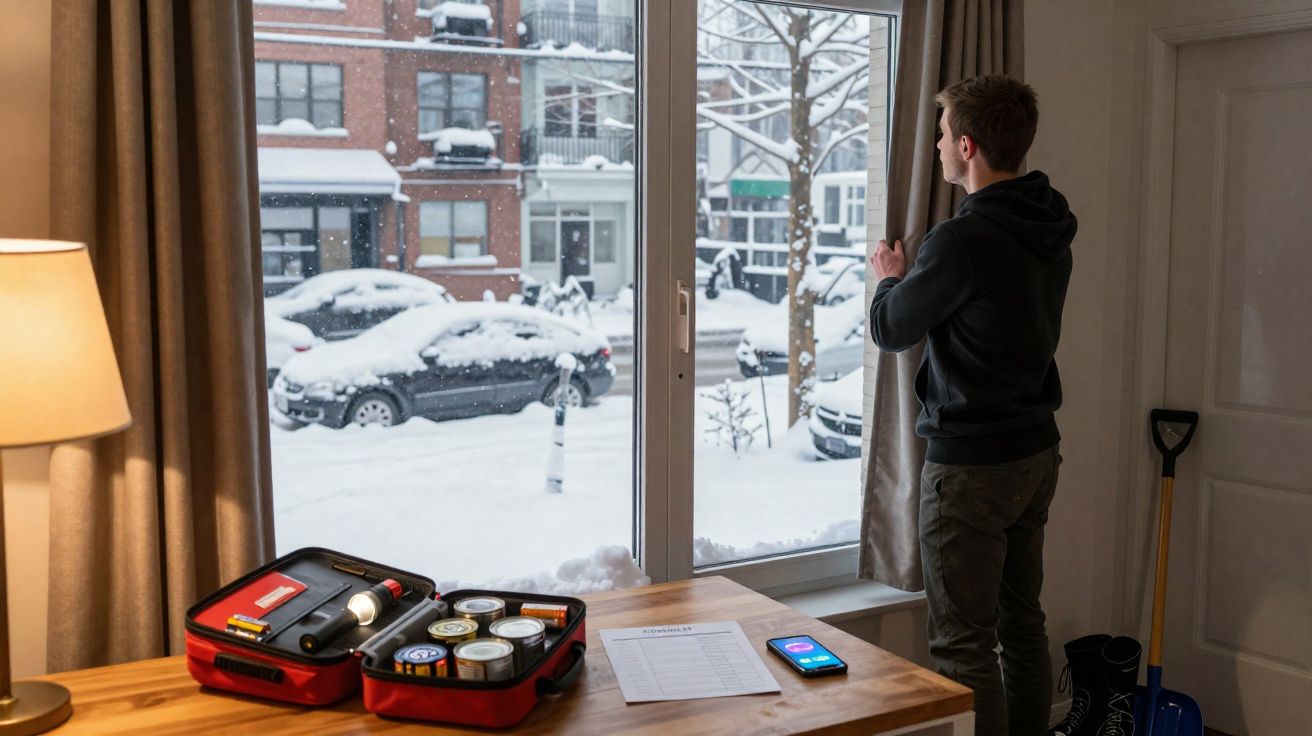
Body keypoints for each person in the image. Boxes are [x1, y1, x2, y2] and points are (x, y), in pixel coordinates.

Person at [867, 74, 1076, 736]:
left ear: (967, 145)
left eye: (939, 135)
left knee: (964, 646)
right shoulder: (1050, 220)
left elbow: (894, 328)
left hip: (974, 469)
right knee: (1022, 627)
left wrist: (889, 281)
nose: (932, 147)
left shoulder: (964, 239)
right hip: (1035, 453)